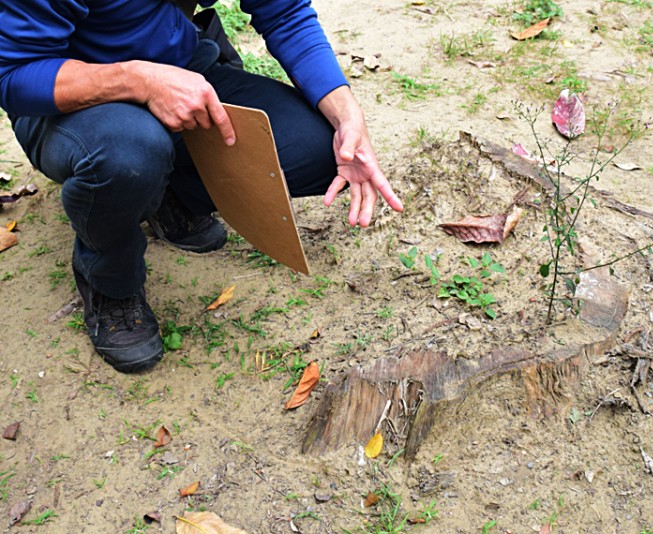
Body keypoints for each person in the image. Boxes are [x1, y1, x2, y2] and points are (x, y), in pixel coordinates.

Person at [0, 0, 403, 373]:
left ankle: (166, 192)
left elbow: (285, 12)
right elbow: (13, 74)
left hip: (181, 65)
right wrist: (138, 80)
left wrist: (348, 115)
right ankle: (110, 282)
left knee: (319, 149)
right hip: (70, 99)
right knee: (128, 157)